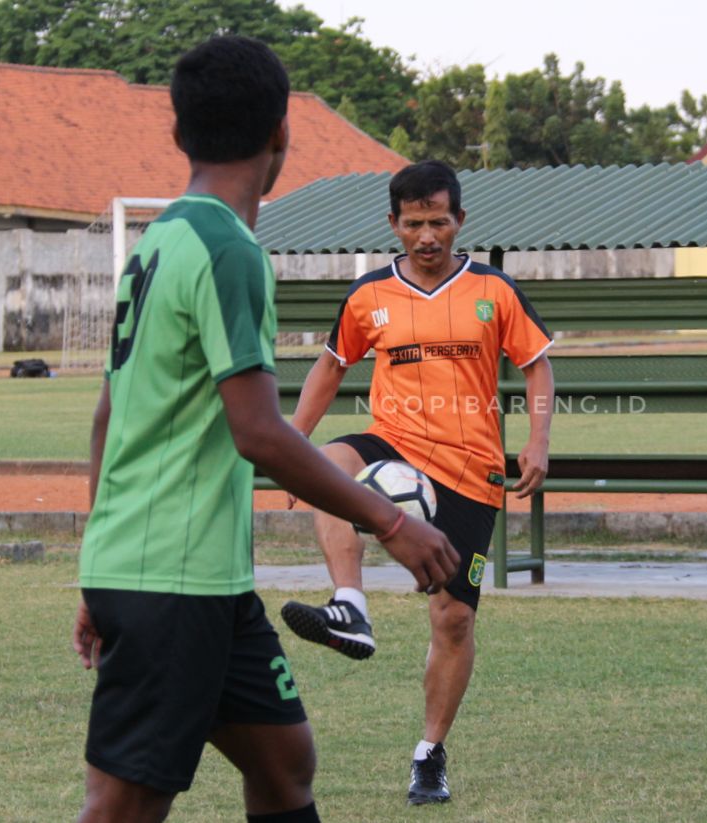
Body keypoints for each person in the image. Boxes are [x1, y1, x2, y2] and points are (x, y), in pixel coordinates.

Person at [71, 37, 458, 823]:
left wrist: (98, 558)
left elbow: (111, 409)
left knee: (284, 764)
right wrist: (388, 521)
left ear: (178, 135)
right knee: (122, 806)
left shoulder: (159, 240)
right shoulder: (226, 249)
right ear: (283, 131)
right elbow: (258, 431)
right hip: (169, 576)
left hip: (197, 578)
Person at [280, 160, 555, 805]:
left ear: (460, 221)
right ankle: (350, 605)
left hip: (471, 471)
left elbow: (539, 368)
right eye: (413, 224)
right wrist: (291, 447)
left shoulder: (496, 291)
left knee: (453, 618)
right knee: (328, 466)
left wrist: (538, 439)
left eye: (438, 222)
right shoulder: (368, 297)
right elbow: (329, 369)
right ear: (392, 224)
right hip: (393, 447)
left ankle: (429, 752)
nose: (426, 236)